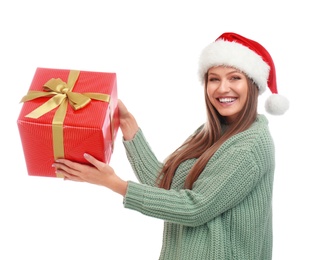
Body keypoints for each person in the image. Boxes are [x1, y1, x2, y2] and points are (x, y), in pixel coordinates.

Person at [52, 32, 289, 259]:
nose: (222, 88)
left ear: (253, 85)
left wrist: (113, 183)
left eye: (235, 78)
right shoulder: (213, 132)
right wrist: (127, 124)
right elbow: (166, 186)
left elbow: (193, 208)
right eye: (214, 79)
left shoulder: (248, 145)